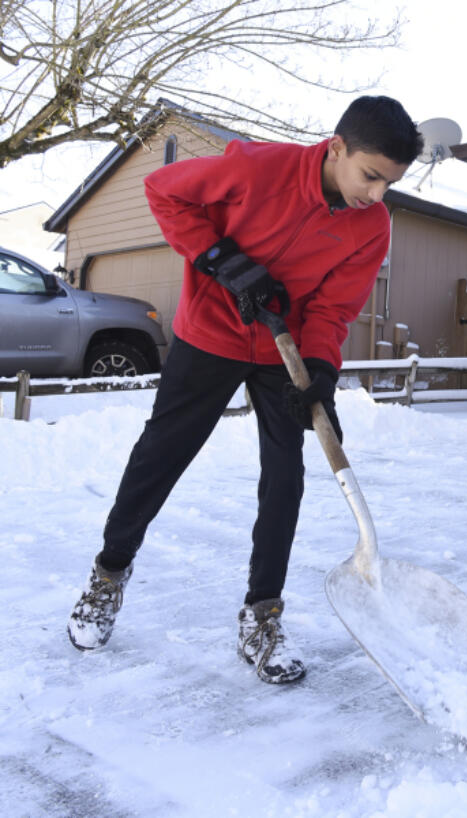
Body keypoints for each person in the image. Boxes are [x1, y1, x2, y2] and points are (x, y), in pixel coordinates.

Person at [66, 96, 421, 684]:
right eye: (371, 176)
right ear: (337, 148)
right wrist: (220, 259)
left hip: (286, 348)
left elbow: (334, 309)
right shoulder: (260, 168)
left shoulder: (371, 225)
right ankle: (108, 574)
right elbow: (165, 191)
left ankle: (263, 614)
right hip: (211, 334)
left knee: (285, 479)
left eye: (391, 182)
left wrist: (321, 373)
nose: (377, 194)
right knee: (161, 457)